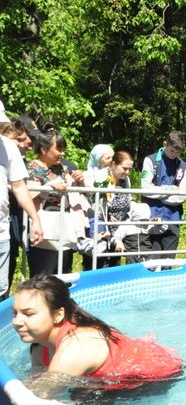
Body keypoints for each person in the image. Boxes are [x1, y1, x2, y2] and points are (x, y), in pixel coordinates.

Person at [11, 274, 182, 397]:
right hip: (119, 365)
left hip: (157, 375)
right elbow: (34, 381)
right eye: (15, 313)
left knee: (83, 399)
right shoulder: (39, 346)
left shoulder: (75, 349)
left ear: (58, 315)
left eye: (28, 314)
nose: (16, 322)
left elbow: (36, 399)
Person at [27, 127, 86, 275]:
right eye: (59, 149)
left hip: (65, 227)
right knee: (43, 276)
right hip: (43, 229)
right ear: (43, 149)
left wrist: (79, 181)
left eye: (63, 149)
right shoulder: (32, 168)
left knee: (64, 274)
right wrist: (48, 187)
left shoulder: (64, 168)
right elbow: (29, 198)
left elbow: (81, 194)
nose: (63, 153)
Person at [1, 116, 42, 292]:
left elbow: (19, 186)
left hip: (5, 227)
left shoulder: (8, 149)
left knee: (3, 285)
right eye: (21, 138)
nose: (28, 143)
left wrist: (35, 219)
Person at [141, 131, 186, 255]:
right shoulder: (150, 160)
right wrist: (169, 190)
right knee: (152, 259)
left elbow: (182, 196)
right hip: (152, 216)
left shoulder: (183, 166)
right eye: (172, 151)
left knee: (169, 259)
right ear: (165, 144)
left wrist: (159, 194)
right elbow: (145, 189)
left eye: (178, 152)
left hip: (173, 217)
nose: (175, 155)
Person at [87, 150, 135, 269]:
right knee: (98, 262)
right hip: (101, 224)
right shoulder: (100, 177)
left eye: (130, 169)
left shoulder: (126, 180)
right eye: (124, 168)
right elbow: (91, 201)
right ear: (113, 164)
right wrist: (105, 217)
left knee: (114, 263)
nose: (127, 172)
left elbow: (128, 198)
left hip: (118, 226)